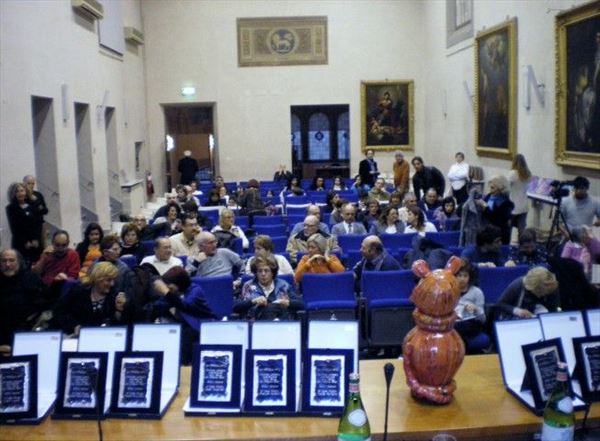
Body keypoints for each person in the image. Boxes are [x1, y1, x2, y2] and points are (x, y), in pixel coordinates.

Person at [151, 267, 215, 364]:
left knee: (188, 334)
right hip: (184, 325)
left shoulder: (195, 290)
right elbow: (159, 305)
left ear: (179, 283)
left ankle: (184, 366)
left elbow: (185, 306)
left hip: (200, 325)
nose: (168, 289)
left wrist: (166, 293)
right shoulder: (174, 293)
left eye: (170, 287)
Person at [51, 262, 133, 336]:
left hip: (104, 337)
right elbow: (59, 311)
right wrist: (74, 325)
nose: (112, 284)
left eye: (113, 280)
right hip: (75, 336)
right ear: (97, 279)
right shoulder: (78, 291)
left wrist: (119, 311)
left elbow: (119, 326)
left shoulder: (115, 296)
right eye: (108, 280)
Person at [235, 254, 303, 320]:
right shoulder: (248, 286)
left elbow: (301, 304)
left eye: (266, 271)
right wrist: (253, 302)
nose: (263, 274)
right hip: (256, 322)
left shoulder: (283, 285)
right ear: (256, 273)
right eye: (260, 271)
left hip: (281, 322)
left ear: (272, 272)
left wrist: (287, 302)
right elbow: (236, 307)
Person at [0, 249, 44, 346]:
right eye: (4, 261)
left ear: (19, 262)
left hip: (26, 327)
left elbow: (44, 302)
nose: (7, 264)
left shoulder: (32, 279)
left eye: (11, 260)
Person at [31, 230, 80, 298]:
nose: (60, 249)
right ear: (52, 243)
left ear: (68, 243)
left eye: (64, 245)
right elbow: (36, 273)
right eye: (57, 245)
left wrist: (61, 279)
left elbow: (73, 276)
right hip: (47, 288)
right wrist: (44, 257)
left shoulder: (73, 254)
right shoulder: (47, 254)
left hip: (64, 287)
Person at [5, 182, 45, 265]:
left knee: (37, 265)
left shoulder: (32, 205)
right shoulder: (10, 208)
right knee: (22, 265)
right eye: (17, 191)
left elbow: (38, 222)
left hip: (36, 241)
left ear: (26, 192)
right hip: (21, 242)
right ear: (13, 194)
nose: (20, 193)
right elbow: (14, 228)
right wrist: (25, 241)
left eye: (22, 190)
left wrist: (36, 239)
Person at [453, 259, 486, 344]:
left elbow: (483, 319)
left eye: (465, 276)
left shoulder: (477, 292)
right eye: (459, 275)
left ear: (470, 277)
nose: (462, 279)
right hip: (454, 322)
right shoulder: (449, 292)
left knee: (463, 327)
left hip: (471, 323)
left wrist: (476, 309)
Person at [475, 175, 514, 245]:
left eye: (492, 188)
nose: (490, 190)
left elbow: (497, 220)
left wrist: (485, 207)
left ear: (500, 189)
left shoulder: (506, 204)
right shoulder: (489, 196)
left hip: (499, 236)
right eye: (490, 187)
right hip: (486, 232)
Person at [508, 154, 532, 235]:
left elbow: (507, 187)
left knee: (508, 229)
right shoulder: (528, 174)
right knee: (522, 231)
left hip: (513, 205)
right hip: (524, 205)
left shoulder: (512, 173)